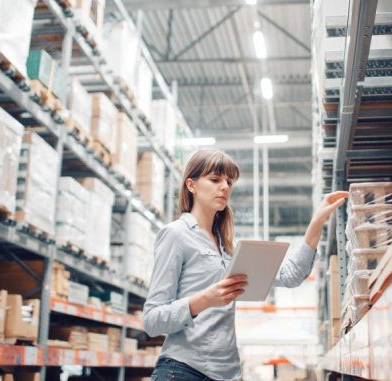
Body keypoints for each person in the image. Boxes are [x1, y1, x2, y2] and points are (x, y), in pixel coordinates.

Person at [143, 149, 348, 381]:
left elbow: (291, 275)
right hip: (183, 370)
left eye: (229, 182)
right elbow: (152, 320)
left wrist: (316, 222)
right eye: (215, 179)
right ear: (191, 185)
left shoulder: (228, 248)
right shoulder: (176, 235)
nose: (225, 187)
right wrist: (203, 300)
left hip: (226, 373)